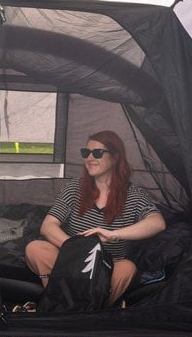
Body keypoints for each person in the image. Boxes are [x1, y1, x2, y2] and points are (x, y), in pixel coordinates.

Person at [24, 130, 167, 306]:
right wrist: (79, 250)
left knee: (127, 269)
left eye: (97, 153)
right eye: (86, 153)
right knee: (36, 248)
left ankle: (89, 308)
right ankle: (59, 302)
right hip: (69, 260)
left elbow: (157, 222)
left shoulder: (134, 195)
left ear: (114, 157)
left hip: (107, 265)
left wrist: (114, 234)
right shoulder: (74, 188)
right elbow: (48, 226)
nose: (89, 158)